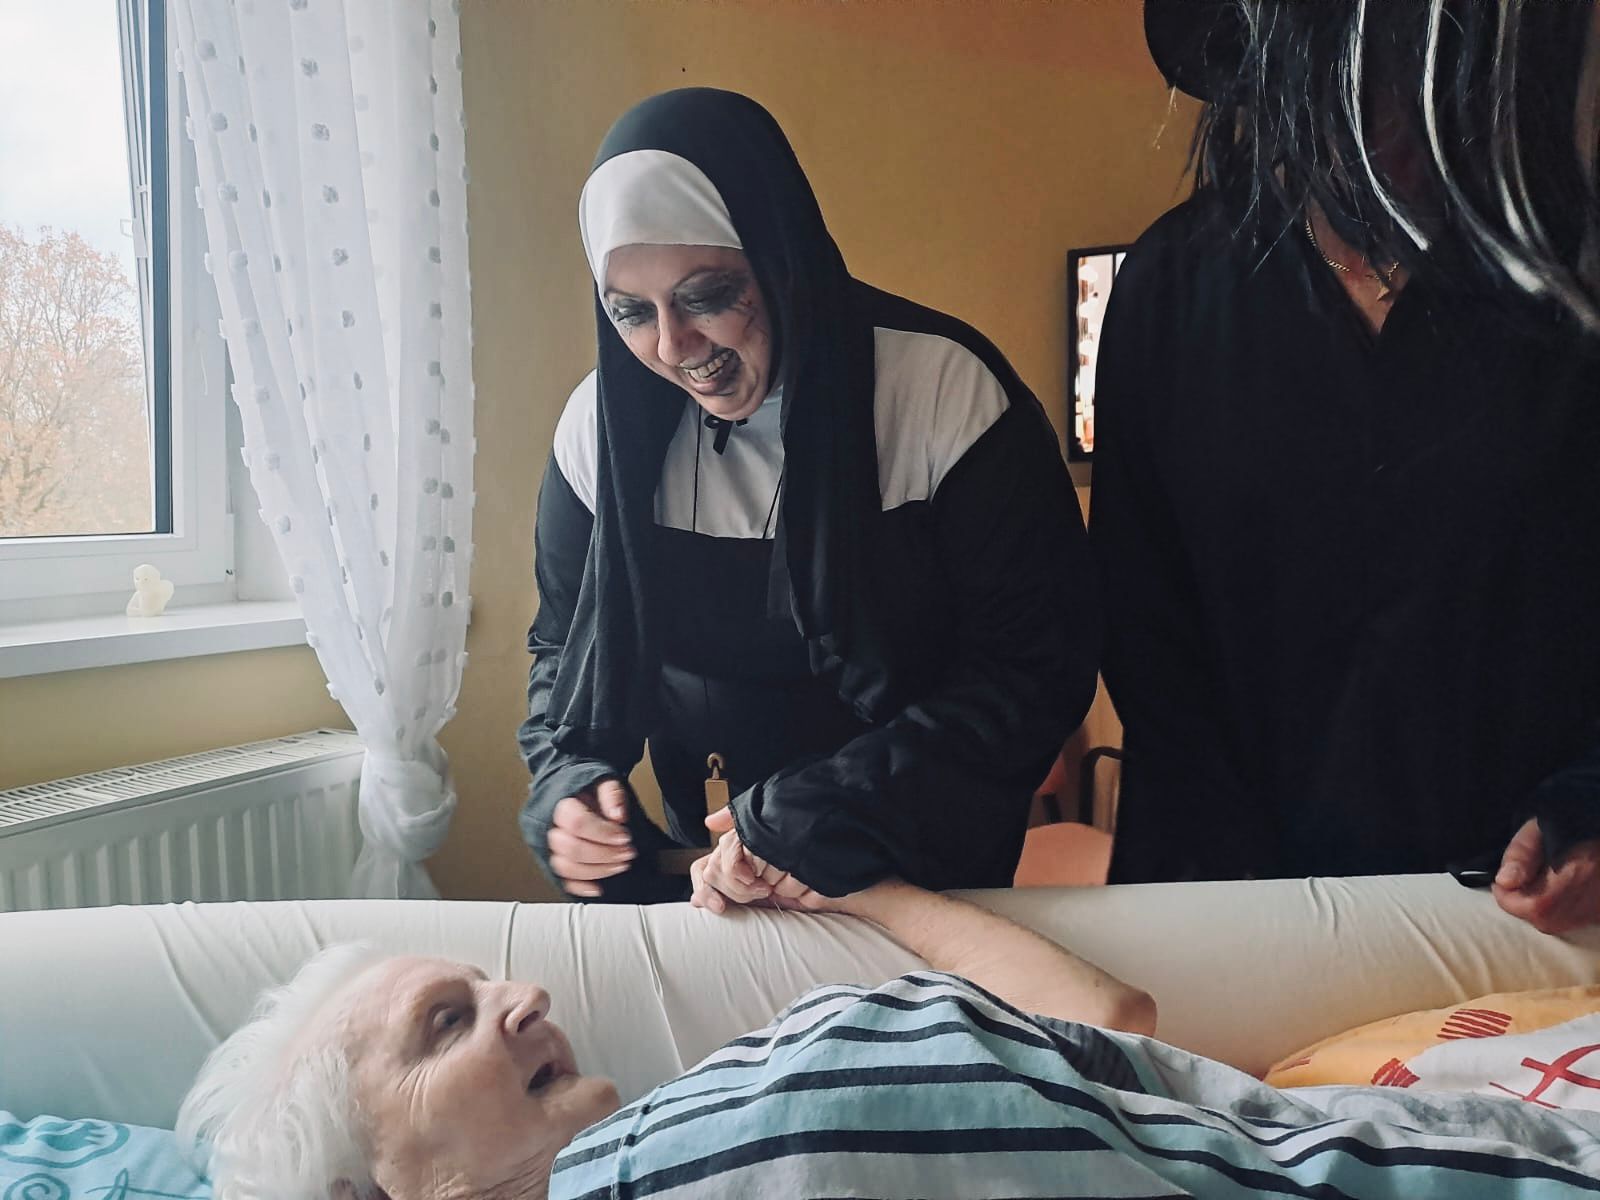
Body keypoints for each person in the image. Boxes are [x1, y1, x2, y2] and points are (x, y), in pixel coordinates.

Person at [517, 88, 1097, 906]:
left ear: (780, 258)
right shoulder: (599, 427)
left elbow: (1035, 669)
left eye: (706, 296)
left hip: (917, 856)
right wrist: (566, 780)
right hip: (716, 863)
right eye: (631, 312)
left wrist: (840, 804)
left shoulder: (942, 391)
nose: (674, 346)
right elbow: (562, 643)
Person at [1091, 0, 1600, 931]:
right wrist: (1230, 870)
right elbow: (1141, 616)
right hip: (1226, 900)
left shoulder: (1573, 281)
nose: (1389, 128)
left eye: (1420, 77)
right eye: (1354, 82)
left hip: (1519, 909)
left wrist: (1591, 802)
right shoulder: (1173, 282)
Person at [176, 883, 1600, 1200]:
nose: (525, 997)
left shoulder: (703, 1115)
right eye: (448, 1024)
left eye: (489, 982)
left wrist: (862, 885)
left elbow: (1108, 1029)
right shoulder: (736, 1146)